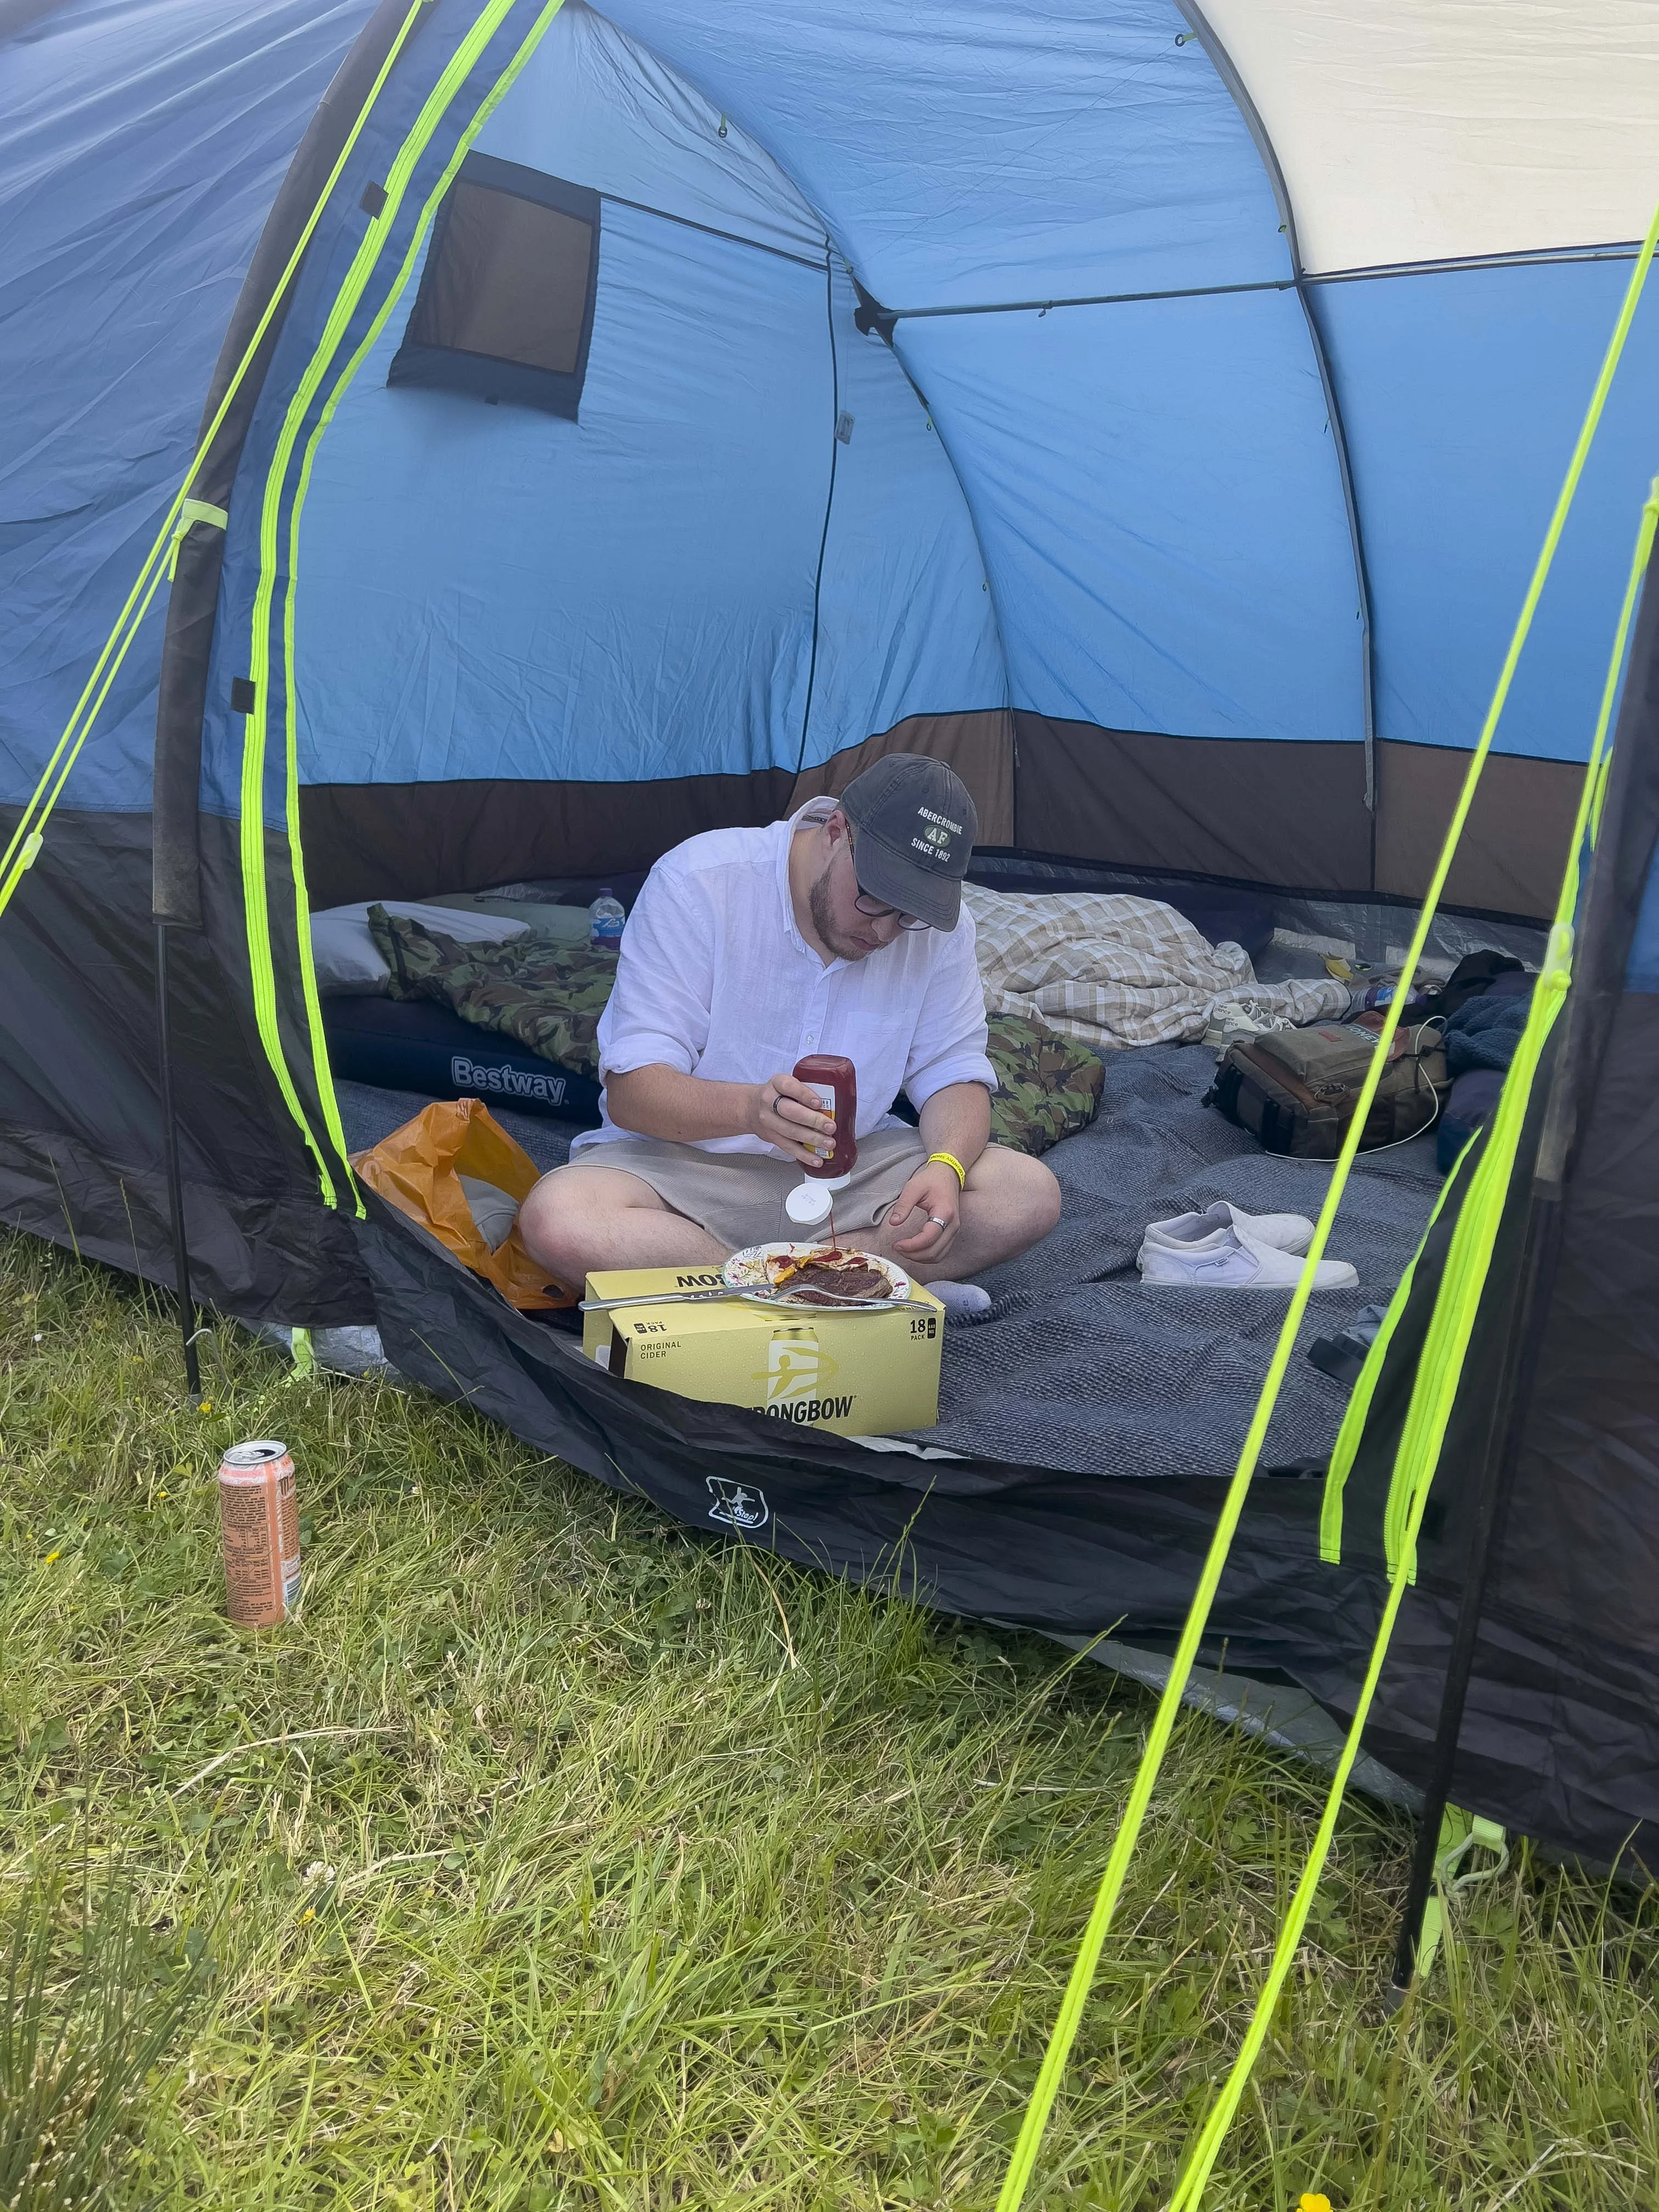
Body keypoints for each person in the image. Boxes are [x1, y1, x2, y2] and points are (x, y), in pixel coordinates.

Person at [518, 754, 1062, 1318]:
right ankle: (867, 1283)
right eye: (874, 895)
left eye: (909, 915)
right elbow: (635, 1092)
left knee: (1026, 1193)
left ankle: (763, 1290)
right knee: (559, 1221)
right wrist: (751, 1110)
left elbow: (954, 1072)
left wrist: (945, 1167)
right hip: (685, 1168)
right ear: (836, 830)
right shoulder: (699, 883)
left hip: (851, 1174)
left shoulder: (936, 932)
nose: (884, 930)